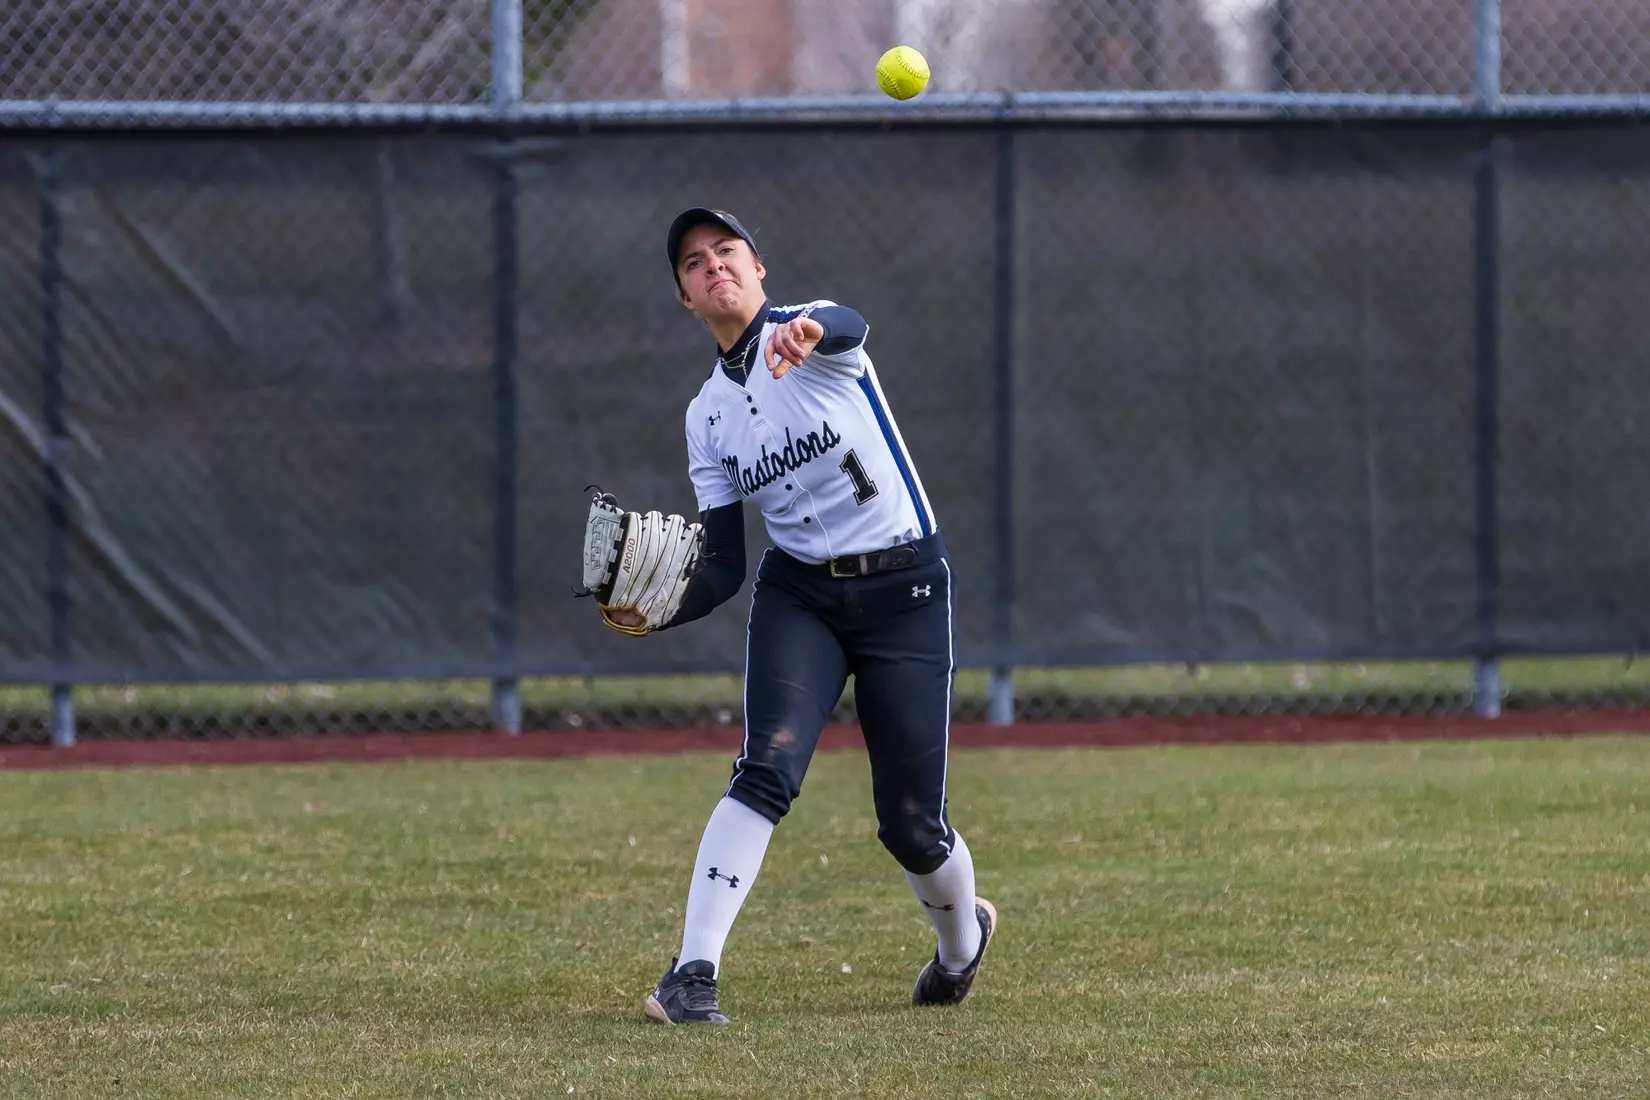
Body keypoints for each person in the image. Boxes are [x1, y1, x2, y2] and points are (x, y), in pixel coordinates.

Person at [599, 207, 996, 1027]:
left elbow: (849, 323)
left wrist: (811, 329)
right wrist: (652, 610)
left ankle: (961, 948)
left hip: (904, 592)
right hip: (800, 597)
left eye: (726, 251)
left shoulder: (815, 341)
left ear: (758, 267)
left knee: (913, 826)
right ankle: (692, 974)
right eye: (693, 263)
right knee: (765, 769)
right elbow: (720, 567)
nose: (713, 267)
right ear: (684, 298)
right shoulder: (704, 417)